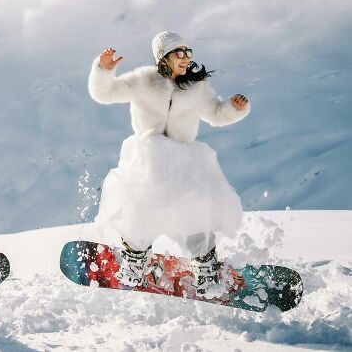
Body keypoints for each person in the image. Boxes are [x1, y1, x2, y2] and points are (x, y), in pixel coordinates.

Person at [88, 31, 250, 295]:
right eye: (180, 53)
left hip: (185, 159)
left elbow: (216, 114)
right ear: (164, 56)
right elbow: (104, 94)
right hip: (149, 158)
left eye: (189, 53)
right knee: (140, 206)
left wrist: (234, 108)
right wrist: (103, 71)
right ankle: (135, 259)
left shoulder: (197, 87)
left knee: (195, 210)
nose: (187, 58)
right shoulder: (143, 80)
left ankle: (205, 266)